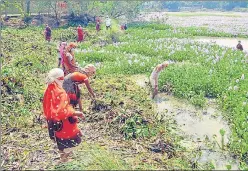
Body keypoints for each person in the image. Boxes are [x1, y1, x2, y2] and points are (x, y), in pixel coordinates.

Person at [43, 68, 84, 162]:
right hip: (64, 123)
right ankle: (64, 161)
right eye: (62, 78)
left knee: (60, 142)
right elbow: (62, 111)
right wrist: (75, 112)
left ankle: (63, 157)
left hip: (53, 122)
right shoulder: (60, 92)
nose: (63, 80)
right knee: (69, 142)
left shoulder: (49, 89)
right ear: (57, 79)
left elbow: (47, 108)